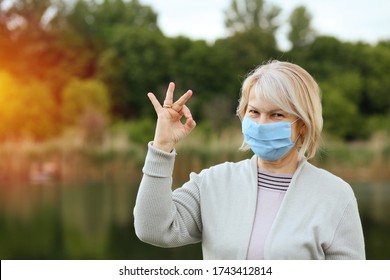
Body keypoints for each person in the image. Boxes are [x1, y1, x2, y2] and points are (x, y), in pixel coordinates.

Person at [133, 60, 365, 260]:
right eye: (254, 112)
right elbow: (153, 229)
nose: (262, 123)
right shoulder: (213, 183)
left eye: (277, 114)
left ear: (302, 125)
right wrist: (162, 148)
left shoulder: (335, 195)